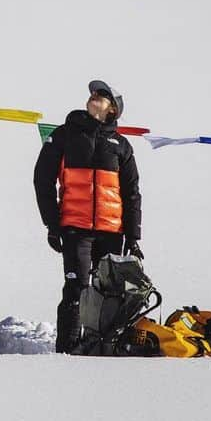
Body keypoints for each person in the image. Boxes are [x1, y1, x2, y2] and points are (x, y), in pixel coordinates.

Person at [33, 79, 142, 354]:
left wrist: (134, 237)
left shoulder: (122, 146)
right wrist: (52, 224)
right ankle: (68, 352)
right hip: (75, 229)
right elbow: (42, 180)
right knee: (77, 288)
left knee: (109, 293)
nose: (95, 96)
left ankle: (102, 349)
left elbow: (131, 194)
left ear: (113, 109)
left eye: (102, 95)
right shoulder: (64, 135)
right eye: (93, 93)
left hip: (112, 232)